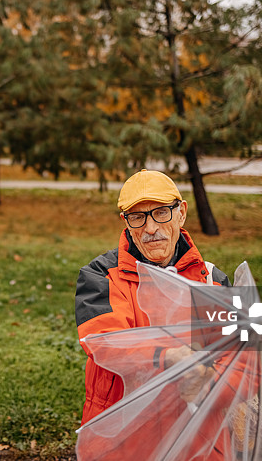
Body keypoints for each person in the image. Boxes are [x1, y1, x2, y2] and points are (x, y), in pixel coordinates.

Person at [75, 169, 230, 424]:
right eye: (137, 217)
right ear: (126, 222)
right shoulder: (101, 276)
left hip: (195, 430)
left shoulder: (213, 280)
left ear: (181, 213)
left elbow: (242, 357)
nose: (150, 228)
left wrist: (213, 382)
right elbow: (104, 342)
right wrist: (166, 358)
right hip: (124, 428)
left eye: (161, 212)